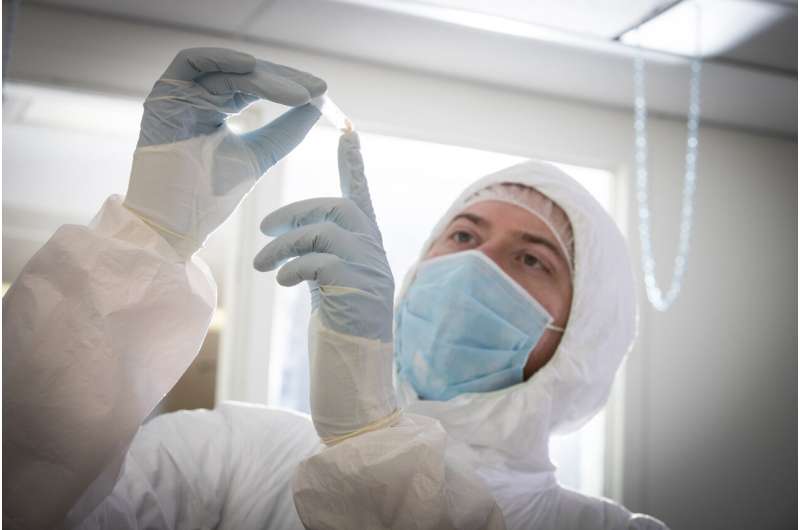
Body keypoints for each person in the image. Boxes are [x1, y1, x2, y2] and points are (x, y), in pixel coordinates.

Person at [2, 47, 668, 530]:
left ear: (581, 338)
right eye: (462, 237)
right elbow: (25, 482)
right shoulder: (236, 452)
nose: (478, 267)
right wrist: (146, 236)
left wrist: (371, 437)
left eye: (532, 260)